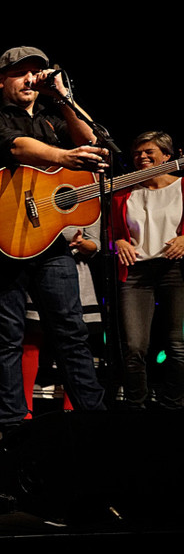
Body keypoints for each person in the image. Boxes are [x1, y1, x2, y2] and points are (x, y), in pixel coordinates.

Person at [0, 45, 108, 433]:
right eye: (20, 72)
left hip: (51, 242)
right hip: (3, 243)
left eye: (36, 71)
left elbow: (93, 142)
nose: (30, 78)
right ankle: (14, 431)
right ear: (1, 80)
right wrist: (62, 158)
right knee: (8, 338)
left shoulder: (52, 119)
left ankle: (95, 425)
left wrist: (63, 98)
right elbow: (18, 147)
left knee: (71, 333)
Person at [113, 130, 184, 410]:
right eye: (137, 153)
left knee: (177, 345)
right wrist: (118, 241)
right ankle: (136, 407)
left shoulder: (182, 187)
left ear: (167, 156)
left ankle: (173, 406)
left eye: (148, 152)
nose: (141, 157)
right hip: (136, 272)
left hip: (175, 270)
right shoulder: (124, 192)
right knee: (134, 347)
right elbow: (111, 232)